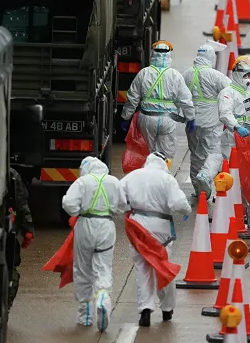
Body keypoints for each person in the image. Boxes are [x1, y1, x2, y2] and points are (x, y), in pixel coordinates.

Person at [195, 56, 250, 227]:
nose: (248, 79)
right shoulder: (227, 93)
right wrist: (237, 127)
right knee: (238, 174)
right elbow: (225, 114)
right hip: (234, 138)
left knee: (247, 175)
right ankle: (234, 210)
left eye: (249, 76)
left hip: (248, 139)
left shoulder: (248, 93)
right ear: (237, 75)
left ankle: (246, 211)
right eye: (245, 75)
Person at [120, 152, 191, 327]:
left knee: (142, 268)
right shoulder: (167, 180)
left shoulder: (132, 176)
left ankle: (145, 309)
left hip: (137, 227)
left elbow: (118, 199)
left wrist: (129, 208)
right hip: (161, 228)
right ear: (163, 163)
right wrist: (187, 212)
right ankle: (167, 309)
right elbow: (179, 205)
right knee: (162, 266)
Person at [61, 156, 126, 331]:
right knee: (103, 266)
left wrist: (77, 211)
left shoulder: (82, 182)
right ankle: (103, 296)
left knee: (82, 270)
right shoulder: (113, 181)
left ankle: (86, 316)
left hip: (85, 226)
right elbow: (123, 205)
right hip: (106, 226)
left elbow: (68, 203)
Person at [120, 41, 196, 164]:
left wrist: (125, 117)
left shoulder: (144, 73)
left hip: (146, 119)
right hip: (168, 120)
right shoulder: (175, 75)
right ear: (169, 55)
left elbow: (132, 98)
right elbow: (185, 100)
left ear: (153, 54)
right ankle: (162, 177)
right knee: (166, 155)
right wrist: (191, 118)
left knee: (147, 154)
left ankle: (148, 179)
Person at [182, 44, 231, 197]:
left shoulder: (186, 74)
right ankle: (205, 175)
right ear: (211, 57)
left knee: (196, 154)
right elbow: (231, 91)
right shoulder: (215, 75)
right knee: (215, 152)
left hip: (191, 121)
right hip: (211, 122)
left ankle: (199, 190)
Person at [8, 167, 35, 309]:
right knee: (10, 270)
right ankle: (5, 304)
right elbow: (22, 204)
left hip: (3, 233)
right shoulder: (10, 174)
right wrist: (28, 230)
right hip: (4, 233)